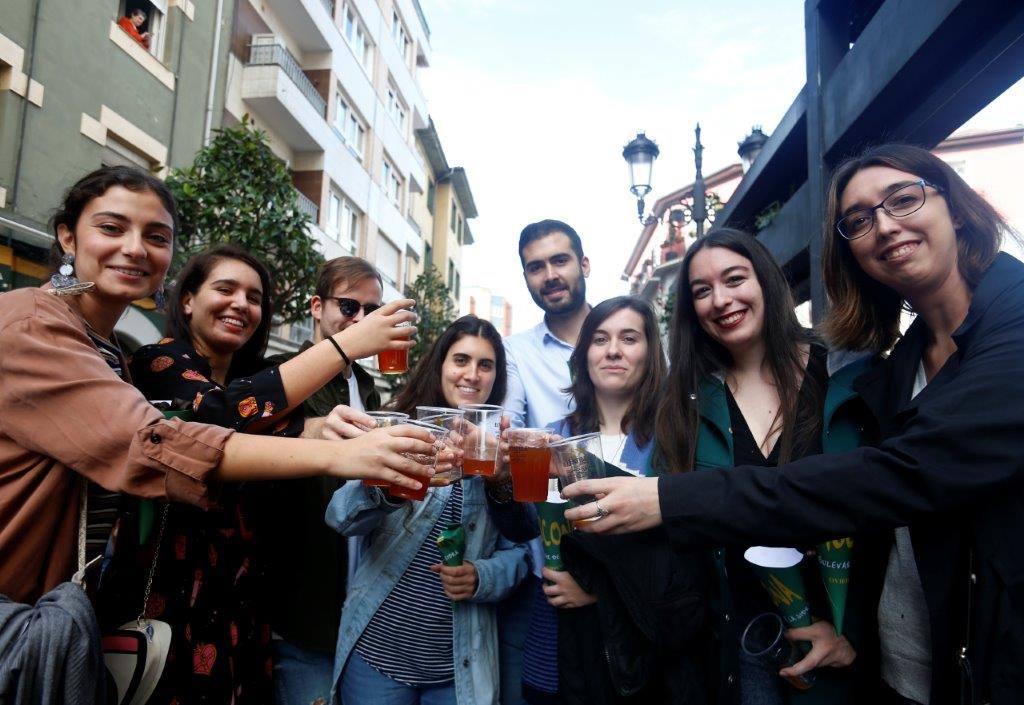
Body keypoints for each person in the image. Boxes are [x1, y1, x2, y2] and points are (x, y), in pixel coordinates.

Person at [563, 144, 1024, 705]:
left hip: (915, 656)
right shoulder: (901, 366)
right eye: (859, 220)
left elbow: (887, 489)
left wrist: (852, 631)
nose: (884, 227)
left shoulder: (860, 376)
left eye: (903, 200)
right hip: (783, 653)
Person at [0, 166, 437, 611]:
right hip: (81, 607)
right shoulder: (37, 326)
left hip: (228, 599)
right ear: (68, 238)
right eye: (112, 228)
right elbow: (165, 437)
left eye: (156, 237)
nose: (134, 249)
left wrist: (317, 429)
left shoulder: (105, 345)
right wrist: (339, 433)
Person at [656, 229, 869, 703]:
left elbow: (889, 514)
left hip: (846, 644)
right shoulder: (686, 403)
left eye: (734, 279)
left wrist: (851, 631)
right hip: (742, 643)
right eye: (702, 291)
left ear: (766, 280)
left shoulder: (843, 373)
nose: (720, 300)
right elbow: (669, 523)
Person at [499, 296, 708, 704]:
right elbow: (523, 526)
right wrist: (500, 482)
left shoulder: (677, 440)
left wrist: (600, 592)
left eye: (629, 338)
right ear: (584, 355)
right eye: (600, 339)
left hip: (640, 655)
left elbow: (688, 560)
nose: (613, 350)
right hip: (558, 647)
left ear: (650, 352)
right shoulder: (552, 436)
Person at [325, 315, 529, 705]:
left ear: (497, 377)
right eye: (461, 360)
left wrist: (481, 577)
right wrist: (394, 488)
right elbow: (341, 516)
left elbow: (520, 550)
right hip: (378, 657)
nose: (472, 374)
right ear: (440, 365)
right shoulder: (397, 428)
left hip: (456, 668)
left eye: (486, 365)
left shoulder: (503, 451)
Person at [263, 256, 385, 705]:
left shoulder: (367, 385)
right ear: (317, 307)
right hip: (301, 605)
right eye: (349, 306)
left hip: (355, 597)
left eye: (372, 311)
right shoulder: (280, 372)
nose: (361, 320)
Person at [494, 219, 592, 705]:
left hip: (623, 556)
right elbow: (505, 439)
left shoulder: (624, 337)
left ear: (583, 264)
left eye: (560, 261)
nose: (549, 275)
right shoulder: (516, 353)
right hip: (547, 565)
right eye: (536, 267)